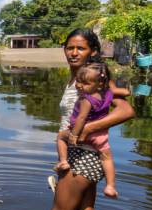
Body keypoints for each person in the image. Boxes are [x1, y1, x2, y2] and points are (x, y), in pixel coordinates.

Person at [49, 28, 135, 210]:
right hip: (89, 156)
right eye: (70, 47)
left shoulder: (97, 80)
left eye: (81, 48)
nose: (74, 52)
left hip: (83, 156)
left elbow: (127, 110)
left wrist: (86, 129)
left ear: (93, 51)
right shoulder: (77, 80)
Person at [53, 61, 130, 198]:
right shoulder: (107, 92)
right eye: (78, 81)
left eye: (85, 83)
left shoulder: (86, 99)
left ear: (99, 83)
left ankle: (63, 161)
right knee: (107, 158)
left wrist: (74, 135)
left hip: (84, 133)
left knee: (60, 137)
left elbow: (81, 118)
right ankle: (110, 186)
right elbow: (125, 92)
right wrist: (123, 91)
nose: (79, 86)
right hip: (101, 136)